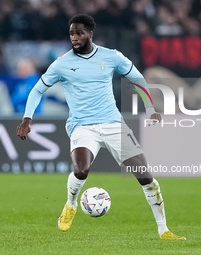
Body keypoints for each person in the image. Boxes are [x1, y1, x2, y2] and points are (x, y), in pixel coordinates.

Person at [17, 14, 185, 240]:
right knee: (81, 170)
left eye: (79, 33)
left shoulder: (111, 57)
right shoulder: (62, 64)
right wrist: (27, 119)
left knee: (145, 177)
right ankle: (70, 205)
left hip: (113, 124)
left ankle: (163, 230)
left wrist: (149, 107)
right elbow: (38, 89)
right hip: (82, 126)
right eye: (71, 34)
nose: (74, 38)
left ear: (90, 34)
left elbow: (137, 78)